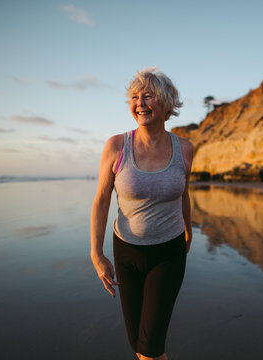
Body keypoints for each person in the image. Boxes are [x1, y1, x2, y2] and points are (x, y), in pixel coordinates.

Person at [90, 67, 193, 360]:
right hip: (126, 252)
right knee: (138, 344)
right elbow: (101, 201)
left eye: (148, 96)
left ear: (166, 103)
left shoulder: (184, 149)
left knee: (150, 347)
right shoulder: (116, 146)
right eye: (134, 97)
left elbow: (184, 193)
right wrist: (96, 254)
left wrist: (190, 229)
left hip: (169, 253)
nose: (140, 103)